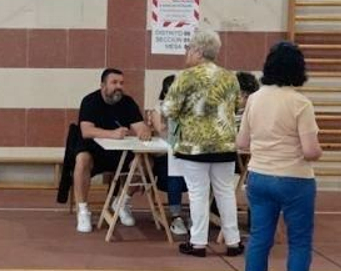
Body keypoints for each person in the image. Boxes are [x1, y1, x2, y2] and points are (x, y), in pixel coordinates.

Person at [236, 42, 323, 271]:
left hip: (259, 175)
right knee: (299, 242)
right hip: (295, 179)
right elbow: (311, 151)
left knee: (260, 238)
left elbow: (242, 143)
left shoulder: (255, 98)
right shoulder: (300, 103)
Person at [161, 29, 242, 258]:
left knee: (198, 193)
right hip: (225, 145)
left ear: (197, 50)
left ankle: (198, 243)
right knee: (225, 192)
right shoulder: (230, 77)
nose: (186, 53)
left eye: (188, 48)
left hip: (194, 146)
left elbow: (169, 109)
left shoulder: (185, 77)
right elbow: (236, 107)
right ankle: (233, 242)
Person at [73, 68, 148, 233]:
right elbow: (86, 130)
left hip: (119, 151)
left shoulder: (128, 102)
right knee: (82, 160)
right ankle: (83, 210)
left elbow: (140, 126)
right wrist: (112, 134)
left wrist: (144, 131)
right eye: (114, 83)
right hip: (94, 150)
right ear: (103, 85)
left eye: (121, 83)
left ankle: (122, 202)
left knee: (143, 161)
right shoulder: (90, 101)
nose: (119, 87)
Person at [148, 74, 187, 238]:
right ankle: (176, 215)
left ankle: (199, 214)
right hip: (165, 155)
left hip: (185, 152)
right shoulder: (159, 108)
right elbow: (162, 129)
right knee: (174, 172)